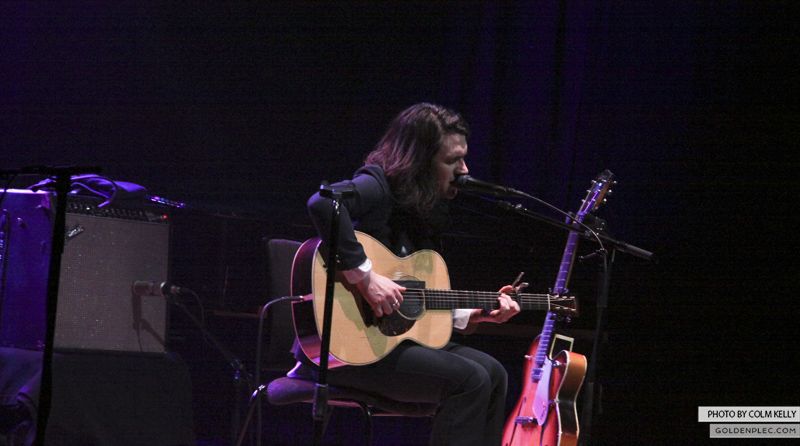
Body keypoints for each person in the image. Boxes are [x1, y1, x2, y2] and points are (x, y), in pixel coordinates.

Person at [297, 103, 521, 445]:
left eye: (463, 158)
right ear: (421, 160)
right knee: (470, 378)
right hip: (347, 348)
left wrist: (470, 315)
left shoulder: (425, 206)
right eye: (452, 161)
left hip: (387, 343)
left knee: (495, 373)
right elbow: (323, 203)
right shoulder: (378, 184)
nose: (464, 170)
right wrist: (365, 278)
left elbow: (413, 294)